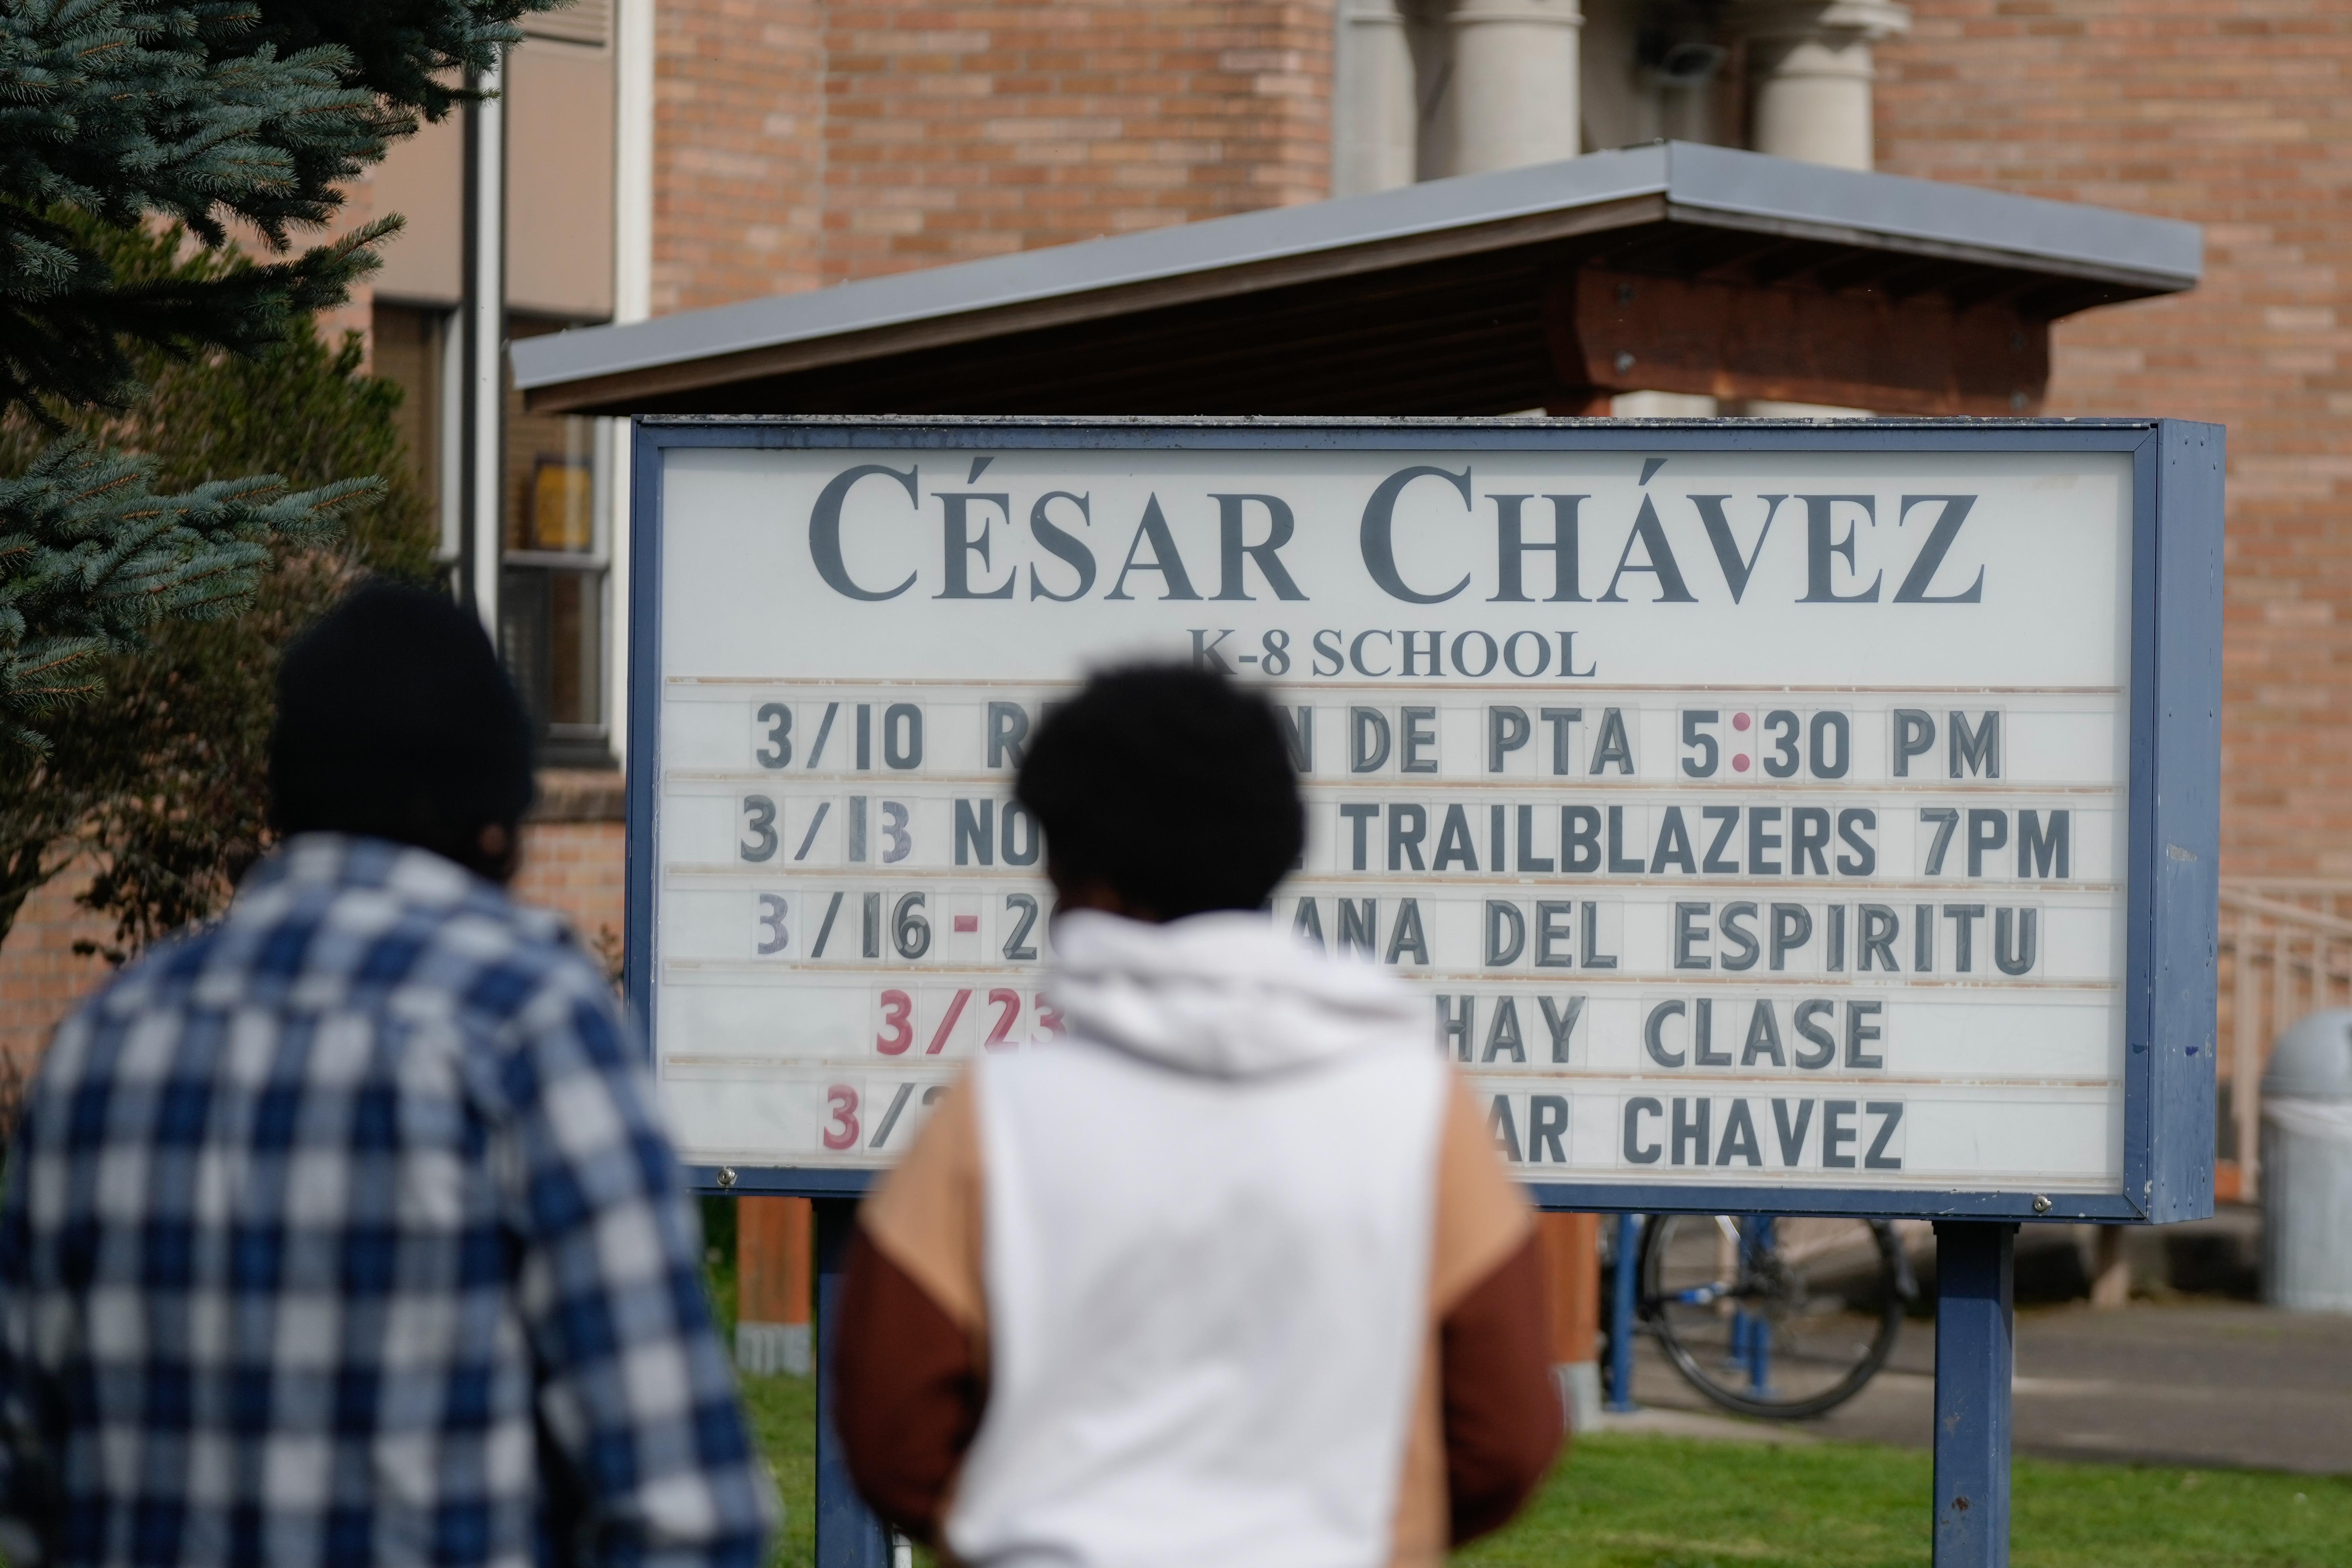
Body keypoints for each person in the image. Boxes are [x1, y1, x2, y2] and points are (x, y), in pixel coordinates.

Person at [0, 583, 772, 1568]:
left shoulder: (103, 1044)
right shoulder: (525, 1020)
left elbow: (29, 1474)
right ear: (492, 826)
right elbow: (684, 1506)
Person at [834, 664, 1560, 1568]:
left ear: (1078, 871)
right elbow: (1507, 1435)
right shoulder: (1417, 1102)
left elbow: (891, 1432)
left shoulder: (996, 1115)